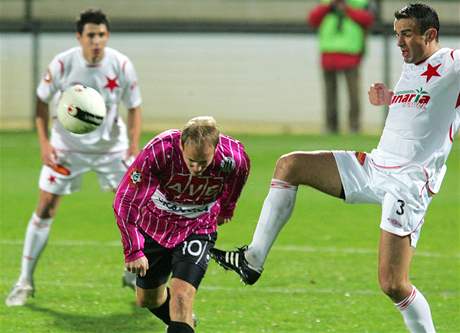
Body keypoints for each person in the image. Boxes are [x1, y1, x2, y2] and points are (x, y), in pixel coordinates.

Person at [211, 4, 459, 332]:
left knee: (393, 284)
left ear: (431, 35)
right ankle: (252, 260)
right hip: (373, 167)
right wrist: (389, 97)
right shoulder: (412, 64)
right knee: (290, 165)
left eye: (407, 34)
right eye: (397, 34)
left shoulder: (453, 63)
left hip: (407, 184)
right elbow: (424, 105)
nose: (399, 42)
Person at [5, 9, 143, 307]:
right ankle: (24, 281)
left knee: (136, 209)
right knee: (44, 208)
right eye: (91, 35)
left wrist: (133, 146)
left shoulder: (120, 64)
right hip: (66, 149)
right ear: (79, 37)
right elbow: (41, 101)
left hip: (111, 149)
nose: (96, 41)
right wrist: (44, 143)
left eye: (101, 35)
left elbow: (134, 106)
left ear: (107, 36)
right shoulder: (63, 64)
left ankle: (134, 274)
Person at [113, 116, 250, 333]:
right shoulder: (160, 151)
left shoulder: (234, 157)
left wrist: (226, 209)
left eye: (203, 162)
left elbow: (237, 180)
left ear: (216, 147)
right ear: (181, 145)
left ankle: (182, 320)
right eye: (190, 161)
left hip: (198, 228)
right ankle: (183, 322)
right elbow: (126, 199)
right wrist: (133, 250)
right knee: (148, 300)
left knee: (181, 297)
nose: (196, 168)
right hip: (154, 226)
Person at [308, 0, 374, 133]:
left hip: (350, 52)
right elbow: (313, 19)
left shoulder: (360, 3)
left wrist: (346, 9)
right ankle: (331, 126)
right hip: (329, 52)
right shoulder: (326, 3)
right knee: (330, 94)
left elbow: (368, 20)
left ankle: (354, 126)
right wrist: (329, 7)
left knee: (353, 93)